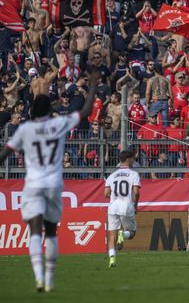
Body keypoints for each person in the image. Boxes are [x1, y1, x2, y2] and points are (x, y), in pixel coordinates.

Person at [0, 72, 99, 292]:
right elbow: (86, 112)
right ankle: (50, 278)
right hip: (54, 184)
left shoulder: (25, 129)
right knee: (51, 232)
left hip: (33, 184)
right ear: (49, 110)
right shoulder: (59, 124)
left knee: (35, 231)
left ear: (33, 110)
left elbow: (5, 153)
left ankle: (38, 276)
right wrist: (92, 86)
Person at [104, 150, 141, 268]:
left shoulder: (111, 175)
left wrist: (115, 196)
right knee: (132, 233)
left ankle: (112, 259)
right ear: (128, 159)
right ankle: (123, 235)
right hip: (126, 205)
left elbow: (106, 193)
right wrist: (135, 205)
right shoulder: (134, 174)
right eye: (133, 158)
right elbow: (136, 192)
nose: (134, 161)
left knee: (111, 235)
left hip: (113, 206)